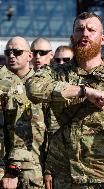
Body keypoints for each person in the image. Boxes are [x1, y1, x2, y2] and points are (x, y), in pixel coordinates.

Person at [26, 12, 104, 189]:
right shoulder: (57, 73)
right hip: (65, 175)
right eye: (79, 30)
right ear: (72, 38)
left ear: (103, 39)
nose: (85, 34)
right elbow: (33, 88)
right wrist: (82, 91)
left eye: (91, 30)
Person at [1, 36, 49, 188]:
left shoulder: (41, 85)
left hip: (33, 168)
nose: (12, 56)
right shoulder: (2, 84)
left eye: (17, 52)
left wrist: (50, 169)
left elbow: (53, 128)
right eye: (8, 52)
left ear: (29, 56)